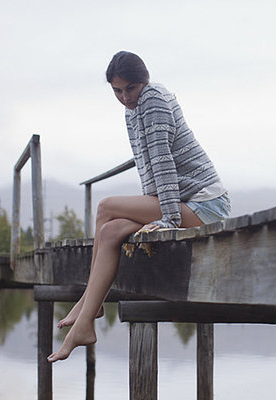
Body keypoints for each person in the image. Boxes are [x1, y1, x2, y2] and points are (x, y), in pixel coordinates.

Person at [47, 51, 231, 363]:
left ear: (143, 81)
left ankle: (86, 309)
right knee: (109, 231)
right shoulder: (132, 110)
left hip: (204, 204)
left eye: (130, 88)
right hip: (178, 200)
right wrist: (150, 210)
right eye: (117, 91)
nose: (124, 97)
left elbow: (163, 163)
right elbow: (148, 168)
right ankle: (89, 310)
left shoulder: (154, 100)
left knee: (105, 206)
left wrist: (168, 218)